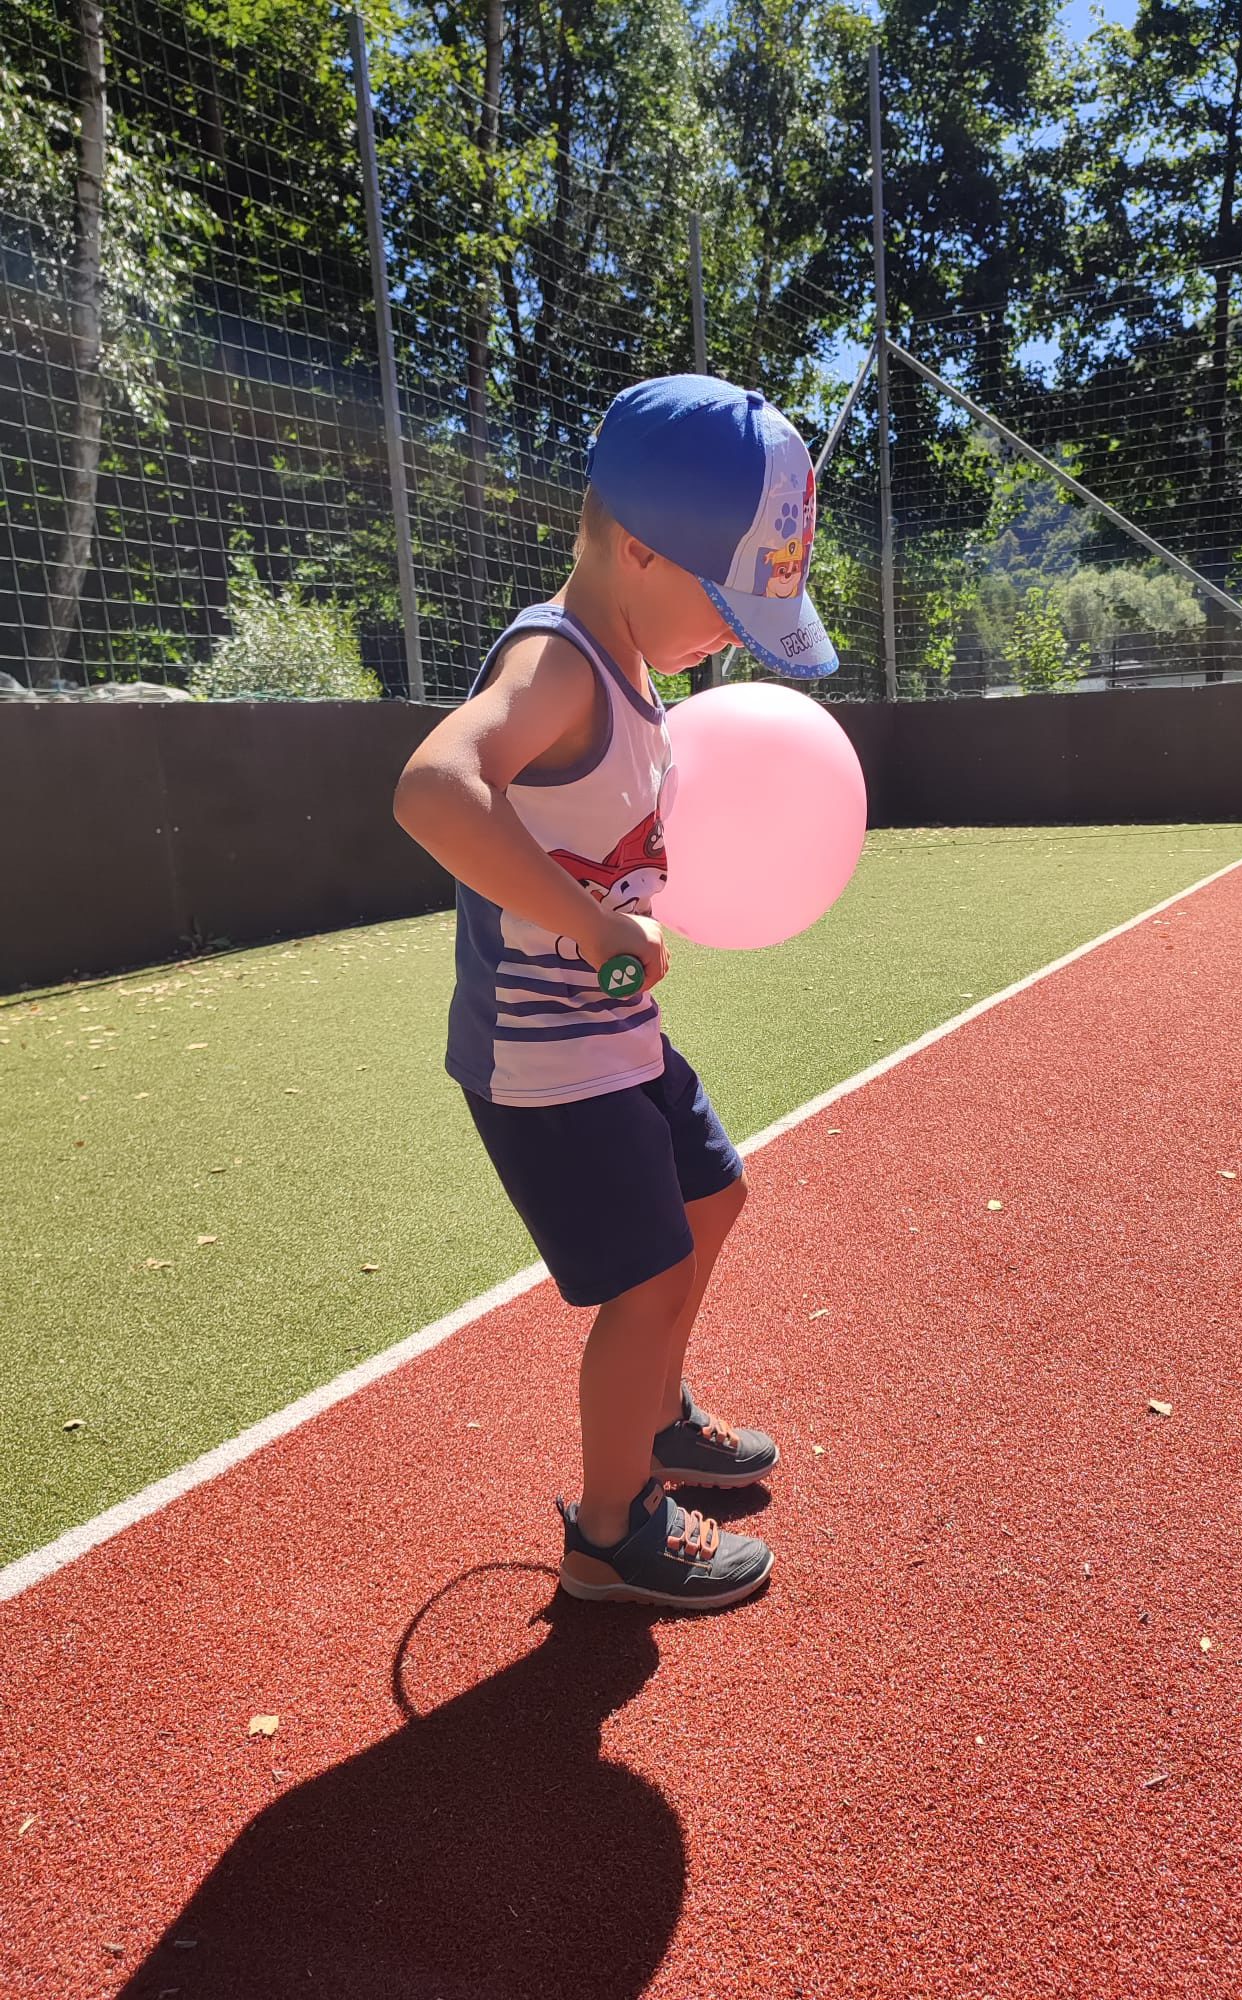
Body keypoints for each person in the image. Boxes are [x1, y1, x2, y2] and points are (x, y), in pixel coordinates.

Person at [393, 375, 839, 1610]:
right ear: (638, 547)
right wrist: (592, 921)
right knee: (645, 1280)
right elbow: (433, 788)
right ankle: (611, 1529)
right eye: (726, 606)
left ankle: (654, 1412)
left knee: (715, 1194)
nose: (732, 640)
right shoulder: (559, 661)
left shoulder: (638, 674)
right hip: (544, 1062)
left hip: (617, 1034)